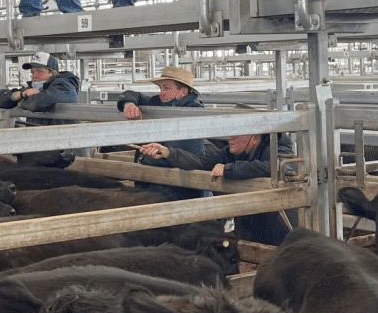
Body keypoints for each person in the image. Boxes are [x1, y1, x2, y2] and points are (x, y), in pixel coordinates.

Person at [158, 106, 296, 245]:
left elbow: (279, 167)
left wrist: (229, 170)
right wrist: (169, 153)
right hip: (256, 231)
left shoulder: (275, 148)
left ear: (254, 137)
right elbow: (202, 162)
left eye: (237, 132)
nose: (230, 137)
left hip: (283, 232)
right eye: (230, 131)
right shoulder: (232, 153)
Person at [122, 65, 209, 201]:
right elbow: (132, 94)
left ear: (183, 92)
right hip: (156, 185)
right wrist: (129, 104)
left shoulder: (193, 114)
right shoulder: (159, 103)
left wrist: (146, 157)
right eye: (160, 88)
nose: (161, 92)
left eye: (166, 88)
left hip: (179, 191)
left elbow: (186, 159)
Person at [0, 54, 80, 125]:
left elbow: (37, 103)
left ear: (53, 73)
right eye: (32, 72)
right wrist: (21, 94)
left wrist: (21, 102)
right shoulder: (33, 88)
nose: (34, 75)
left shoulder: (65, 86)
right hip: (44, 141)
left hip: (66, 143)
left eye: (39, 71)